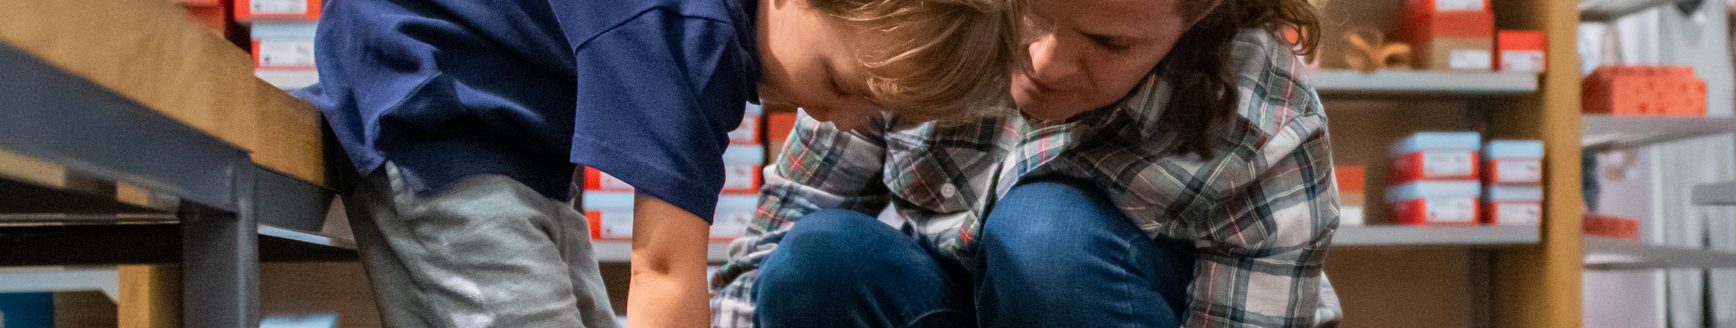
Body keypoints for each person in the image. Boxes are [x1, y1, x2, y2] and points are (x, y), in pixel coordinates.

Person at [304, 0, 1016, 325]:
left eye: (868, 111)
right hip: (434, 107)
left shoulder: (712, 37)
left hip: (518, 141)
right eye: (834, 81)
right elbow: (665, 269)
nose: (832, 115)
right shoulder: (696, 38)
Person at [697, 0, 1342, 326]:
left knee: (1046, 239)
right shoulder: (923, 21)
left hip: (1102, 297)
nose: (1044, 64)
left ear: (1198, 14)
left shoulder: (1267, 122)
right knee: (818, 260)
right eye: (1030, 9)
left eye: (1108, 42)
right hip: (940, 297)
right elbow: (766, 256)